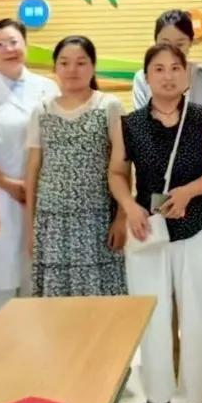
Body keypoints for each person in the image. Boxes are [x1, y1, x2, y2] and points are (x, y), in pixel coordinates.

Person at [109, 44, 202, 403]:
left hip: (198, 225)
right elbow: (116, 173)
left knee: (197, 314)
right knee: (154, 315)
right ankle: (157, 396)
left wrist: (189, 192)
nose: (167, 76)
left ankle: (199, 398)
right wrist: (129, 207)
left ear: (186, 75)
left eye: (175, 68)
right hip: (147, 229)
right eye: (158, 69)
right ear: (146, 77)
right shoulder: (129, 123)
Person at [0, 19, 59, 315]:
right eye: (0, 44)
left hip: (43, 194)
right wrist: (7, 183)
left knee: (37, 281)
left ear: (25, 45)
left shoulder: (48, 88)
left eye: (14, 42)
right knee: (2, 282)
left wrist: (35, 185)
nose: (8, 49)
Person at [23, 36, 126, 298]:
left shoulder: (109, 106)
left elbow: (124, 166)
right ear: (55, 68)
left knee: (99, 303)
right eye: (64, 63)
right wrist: (30, 228)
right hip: (52, 222)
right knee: (56, 303)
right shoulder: (41, 110)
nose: (72, 70)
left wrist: (121, 218)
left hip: (97, 221)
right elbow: (33, 170)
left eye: (81, 62)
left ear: (93, 67)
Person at [132, 9, 202, 112]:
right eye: (165, 44)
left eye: (180, 44)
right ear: (156, 43)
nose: (172, 51)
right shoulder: (142, 79)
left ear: (190, 42)